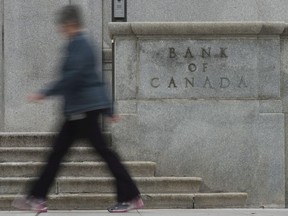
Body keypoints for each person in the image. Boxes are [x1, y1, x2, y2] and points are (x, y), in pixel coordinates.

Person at [12, 5, 144, 213]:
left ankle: (131, 196)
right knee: (66, 153)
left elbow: (73, 77)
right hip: (80, 111)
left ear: (71, 24)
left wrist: (45, 92)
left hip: (82, 112)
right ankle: (37, 196)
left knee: (82, 154)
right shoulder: (79, 44)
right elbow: (95, 80)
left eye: (63, 27)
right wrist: (109, 109)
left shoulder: (80, 45)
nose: (61, 31)